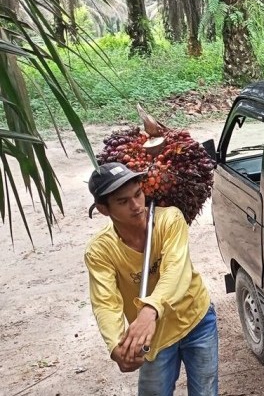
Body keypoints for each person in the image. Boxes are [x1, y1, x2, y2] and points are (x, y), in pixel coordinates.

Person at [84, 162, 218, 395]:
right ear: (103, 209)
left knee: (205, 392)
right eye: (123, 201)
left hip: (196, 319)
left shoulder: (170, 220)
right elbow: (105, 301)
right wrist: (116, 345)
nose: (136, 206)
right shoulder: (100, 251)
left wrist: (149, 309)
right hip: (153, 336)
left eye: (138, 194)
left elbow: (176, 270)